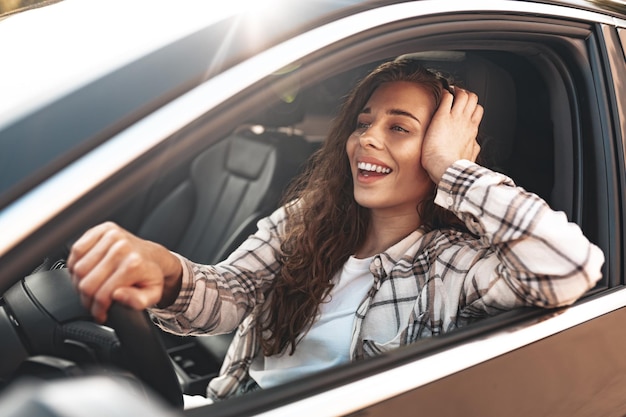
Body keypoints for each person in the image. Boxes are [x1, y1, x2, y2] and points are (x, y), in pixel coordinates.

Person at [67, 58, 604, 401]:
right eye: (365, 122)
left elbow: (568, 267)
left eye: (400, 128)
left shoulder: (453, 264)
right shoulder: (310, 218)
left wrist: (450, 167)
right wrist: (163, 270)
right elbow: (228, 298)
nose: (367, 139)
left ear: (442, 149)